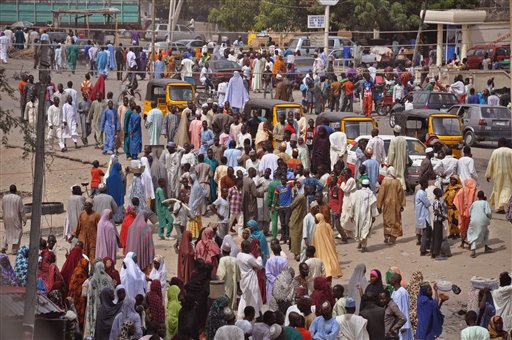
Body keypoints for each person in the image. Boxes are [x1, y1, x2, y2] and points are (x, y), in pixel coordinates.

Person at [377, 167, 406, 245]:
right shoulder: (397, 182)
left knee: (387, 220)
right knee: (396, 220)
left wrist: (379, 205)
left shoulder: (384, 182)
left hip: (386, 204)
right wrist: (402, 205)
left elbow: (381, 195)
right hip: (396, 205)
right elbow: (401, 194)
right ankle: (392, 238)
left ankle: (386, 236)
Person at [85, 261, 113, 337]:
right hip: (106, 306)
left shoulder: (92, 280)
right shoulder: (109, 278)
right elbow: (112, 293)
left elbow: (89, 295)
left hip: (95, 304)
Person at [237, 240, 263, 319]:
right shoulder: (248, 258)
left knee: (245, 297)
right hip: (250, 280)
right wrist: (259, 255)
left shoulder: (239, 255)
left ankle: (242, 313)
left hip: (243, 279)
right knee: (253, 297)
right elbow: (259, 266)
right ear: (244, 247)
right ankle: (254, 314)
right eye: (249, 247)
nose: (251, 248)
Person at [350, 179, 379, 252]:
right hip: (366, 215)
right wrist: (373, 215)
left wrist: (351, 215)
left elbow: (352, 205)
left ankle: (360, 243)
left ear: (362, 185)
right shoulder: (370, 194)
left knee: (358, 228)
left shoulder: (356, 193)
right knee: (364, 230)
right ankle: (363, 246)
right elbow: (373, 206)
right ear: (368, 185)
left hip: (357, 214)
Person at [485, 138, 512, 213]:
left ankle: (499, 207)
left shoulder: (495, 152)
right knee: (508, 189)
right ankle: (502, 203)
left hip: (498, 174)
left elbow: (491, 163)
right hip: (509, 173)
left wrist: (488, 175)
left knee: (498, 190)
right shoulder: (510, 151)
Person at [312, 213, 341, 278]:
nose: (315, 220)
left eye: (316, 219)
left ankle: (327, 272)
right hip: (329, 246)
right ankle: (334, 271)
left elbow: (314, 238)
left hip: (320, 248)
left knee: (323, 260)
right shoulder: (327, 225)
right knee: (331, 258)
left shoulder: (316, 227)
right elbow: (332, 235)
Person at [1, 185, 27, 254]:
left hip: (6, 217)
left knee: (7, 230)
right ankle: (14, 250)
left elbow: (2, 207)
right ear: (16, 190)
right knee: (18, 232)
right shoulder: (18, 198)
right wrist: (24, 219)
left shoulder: (4, 198)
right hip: (15, 218)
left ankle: (4, 246)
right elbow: (21, 210)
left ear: (10, 190)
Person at [467, 190, 493, 258]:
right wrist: (490, 218)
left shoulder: (474, 203)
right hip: (483, 220)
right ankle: (486, 247)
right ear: (483, 196)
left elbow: (469, 212)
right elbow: (488, 213)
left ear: (477, 196)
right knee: (486, 232)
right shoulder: (485, 203)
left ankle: (473, 250)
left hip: (474, 220)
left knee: (473, 234)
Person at [454, 178, 478, 248]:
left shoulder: (462, 190)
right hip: (472, 214)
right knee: (470, 229)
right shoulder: (476, 191)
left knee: (463, 228)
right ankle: (470, 243)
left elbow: (456, 200)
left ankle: (462, 243)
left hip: (463, 213)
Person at [67, 258, 89, 330]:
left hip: (75, 295)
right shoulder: (80, 273)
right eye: (86, 265)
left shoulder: (76, 270)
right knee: (79, 311)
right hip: (79, 296)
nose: (87, 267)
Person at [390, 273, 413, 340]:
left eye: (391, 278)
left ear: (395, 281)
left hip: (402, 324)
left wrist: (404, 326)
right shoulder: (394, 291)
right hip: (396, 322)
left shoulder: (402, 292)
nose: (390, 280)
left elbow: (405, 309)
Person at [415, 177, 432, 255]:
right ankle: (423, 250)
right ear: (424, 184)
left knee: (427, 232)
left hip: (422, 215)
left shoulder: (421, 192)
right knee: (425, 233)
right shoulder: (421, 193)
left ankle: (426, 247)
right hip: (423, 216)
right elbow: (427, 203)